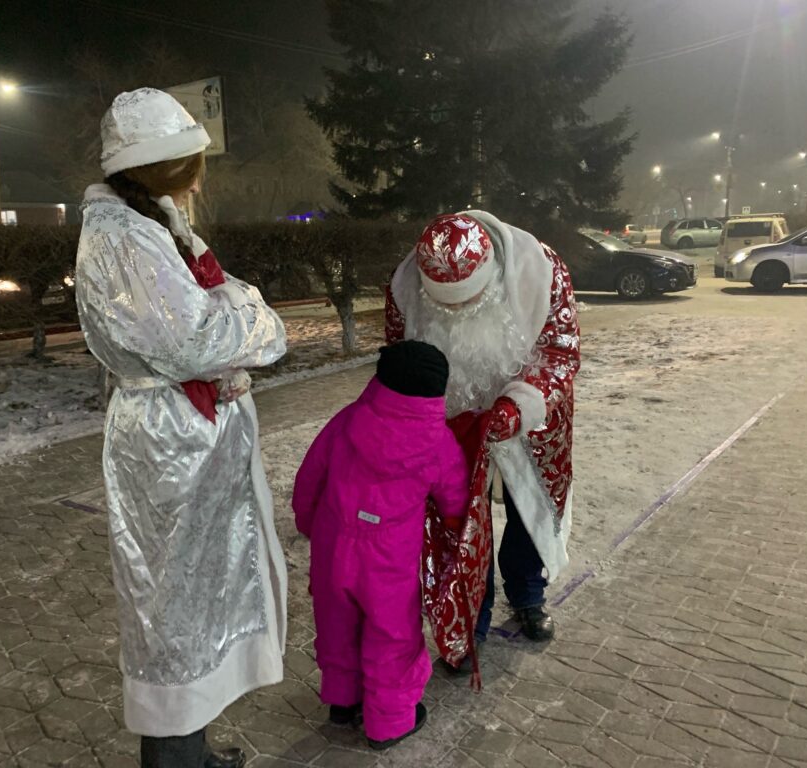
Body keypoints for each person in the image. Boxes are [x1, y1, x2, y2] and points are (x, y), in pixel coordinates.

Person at [75, 88, 288, 768]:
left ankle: (187, 750)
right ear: (157, 165)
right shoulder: (126, 239)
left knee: (197, 599)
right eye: (189, 161)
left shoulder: (151, 221)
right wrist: (254, 311)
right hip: (171, 442)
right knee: (172, 609)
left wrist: (227, 312)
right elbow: (193, 339)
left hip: (187, 435)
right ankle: (173, 759)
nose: (199, 174)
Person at [385, 211, 581, 666]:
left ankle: (528, 593)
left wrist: (520, 403)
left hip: (530, 417)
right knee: (458, 517)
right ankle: (472, 613)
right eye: (443, 305)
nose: (452, 312)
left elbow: (560, 348)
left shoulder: (541, 269)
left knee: (528, 507)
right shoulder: (405, 282)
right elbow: (401, 353)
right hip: (448, 419)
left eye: (464, 302)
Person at [292, 340, 470, 749]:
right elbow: (456, 500)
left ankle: (342, 700)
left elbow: (309, 479)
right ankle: (389, 723)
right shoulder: (438, 442)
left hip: (333, 548)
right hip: (388, 562)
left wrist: (309, 524)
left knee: (337, 625)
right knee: (392, 638)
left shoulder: (347, 421)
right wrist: (457, 531)